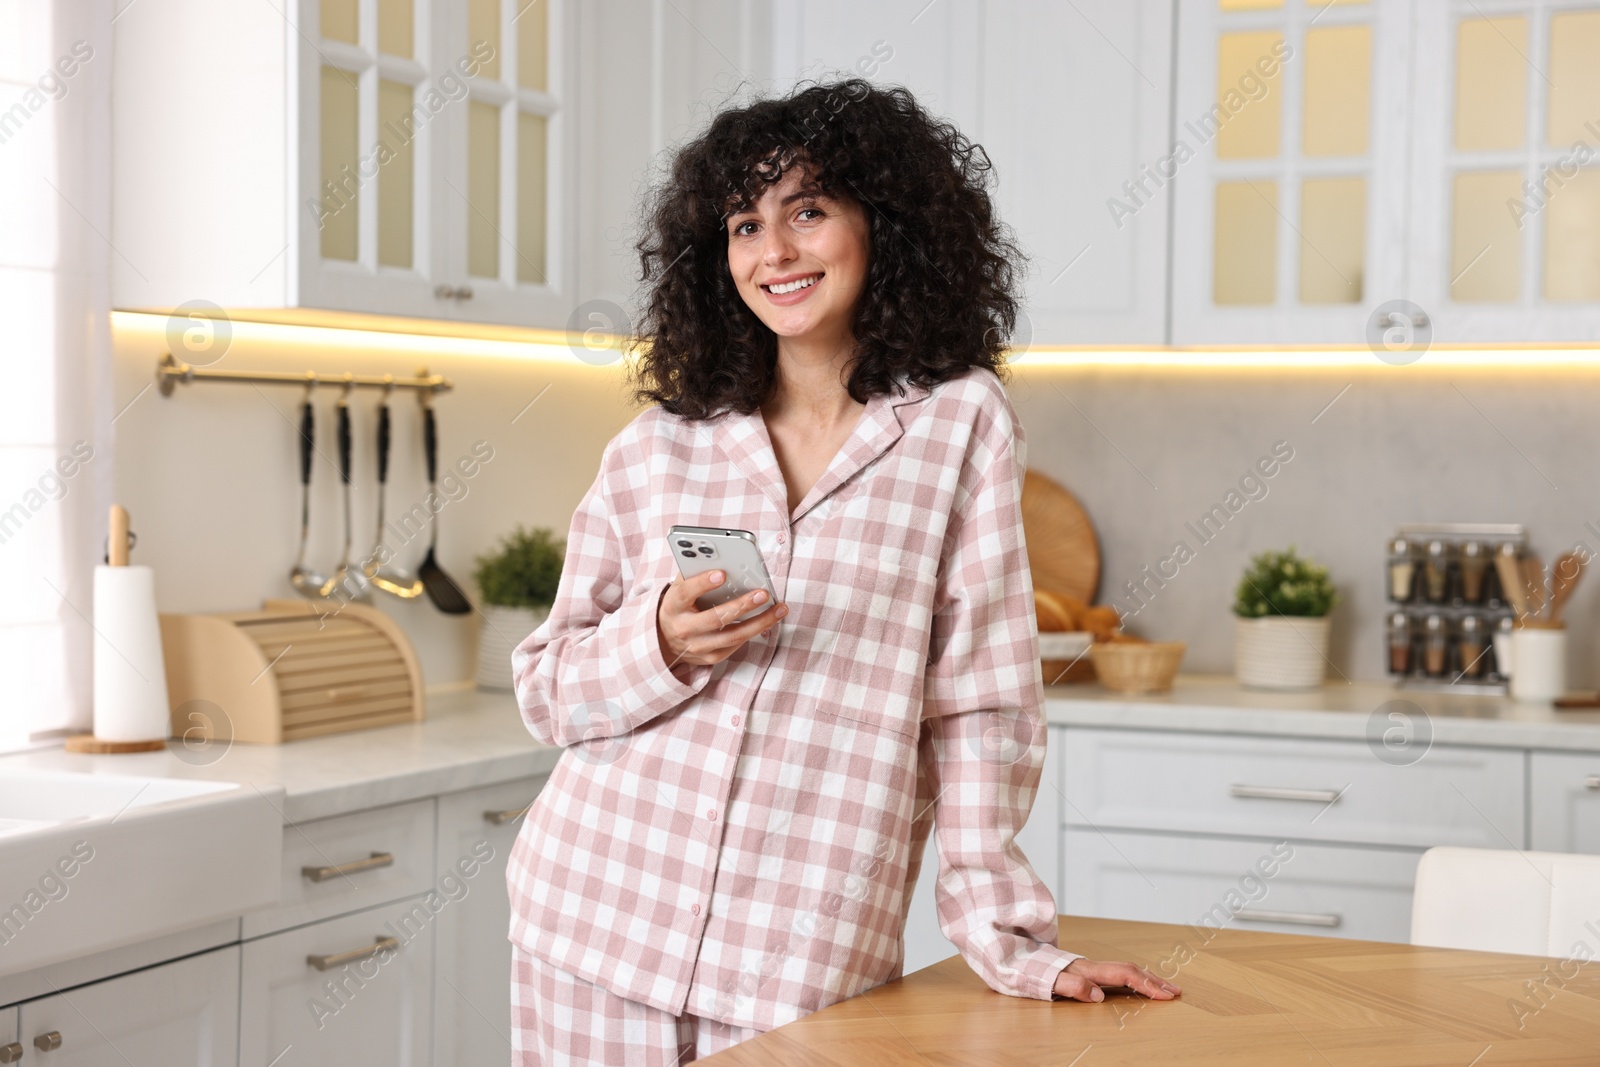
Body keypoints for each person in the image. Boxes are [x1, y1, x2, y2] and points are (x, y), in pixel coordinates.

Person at [506, 77, 1180, 1066]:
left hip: (797, 957)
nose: (772, 251)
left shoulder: (959, 422)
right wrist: (654, 641)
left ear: (886, 226)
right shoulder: (660, 445)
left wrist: (1010, 941)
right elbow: (544, 685)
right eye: (743, 224)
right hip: (591, 921)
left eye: (807, 212)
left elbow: (982, 704)